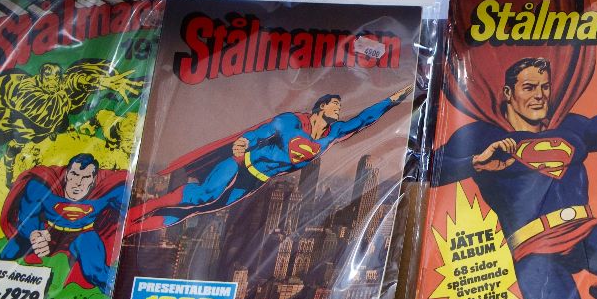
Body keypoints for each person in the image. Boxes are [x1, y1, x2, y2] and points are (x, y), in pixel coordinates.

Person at [433, 35, 597, 299]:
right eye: (529, 87)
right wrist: (473, 163)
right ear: (508, 92)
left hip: (585, 233)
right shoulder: (481, 136)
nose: (540, 95)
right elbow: (426, 170)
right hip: (534, 249)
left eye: (545, 87)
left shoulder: (570, 126)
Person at [124, 87, 411, 235]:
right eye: (335, 104)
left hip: (256, 180)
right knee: (204, 195)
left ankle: (131, 229)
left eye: (339, 106)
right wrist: (244, 142)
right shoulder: (291, 121)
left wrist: (393, 100)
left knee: (198, 210)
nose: (339, 109)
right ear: (321, 106)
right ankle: (141, 210)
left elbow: (364, 119)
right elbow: (262, 132)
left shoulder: (333, 133)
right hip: (240, 163)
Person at [0, 153, 129, 290]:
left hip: (83, 234)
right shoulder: (44, 183)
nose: (78, 182)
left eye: (85, 177)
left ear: (93, 180)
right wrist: (33, 233)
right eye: (74, 174)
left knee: (97, 271)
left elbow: (129, 207)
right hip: (48, 232)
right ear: (67, 174)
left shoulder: (107, 188)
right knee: (8, 252)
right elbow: (28, 213)